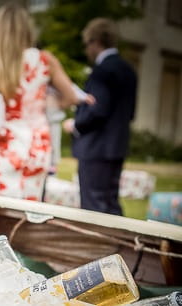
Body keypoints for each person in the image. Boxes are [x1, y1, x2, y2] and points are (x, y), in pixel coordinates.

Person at [0, 4, 77, 201]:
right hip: (38, 142)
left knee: (8, 207)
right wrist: (44, 103)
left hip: (7, 141)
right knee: (33, 208)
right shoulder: (45, 60)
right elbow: (71, 97)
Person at [63, 18, 137, 215]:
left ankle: (100, 246)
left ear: (95, 42)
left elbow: (98, 110)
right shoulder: (129, 70)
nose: (87, 50)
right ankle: (120, 245)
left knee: (93, 206)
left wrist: (75, 124)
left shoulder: (102, 71)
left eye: (87, 44)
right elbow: (129, 113)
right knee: (111, 203)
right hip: (117, 147)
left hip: (95, 148)